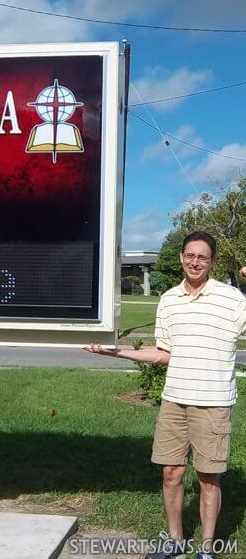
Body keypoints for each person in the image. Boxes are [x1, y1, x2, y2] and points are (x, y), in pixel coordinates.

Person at [84, 231, 246, 559]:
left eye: (202, 256)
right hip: (174, 400)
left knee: (207, 477)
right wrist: (117, 353)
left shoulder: (233, 299)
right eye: (190, 255)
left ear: (212, 261)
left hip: (213, 403)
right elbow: (163, 353)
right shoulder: (169, 299)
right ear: (181, 258)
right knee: (171, 473)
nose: (195, 262)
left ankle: (206, 549)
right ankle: (175, 540)